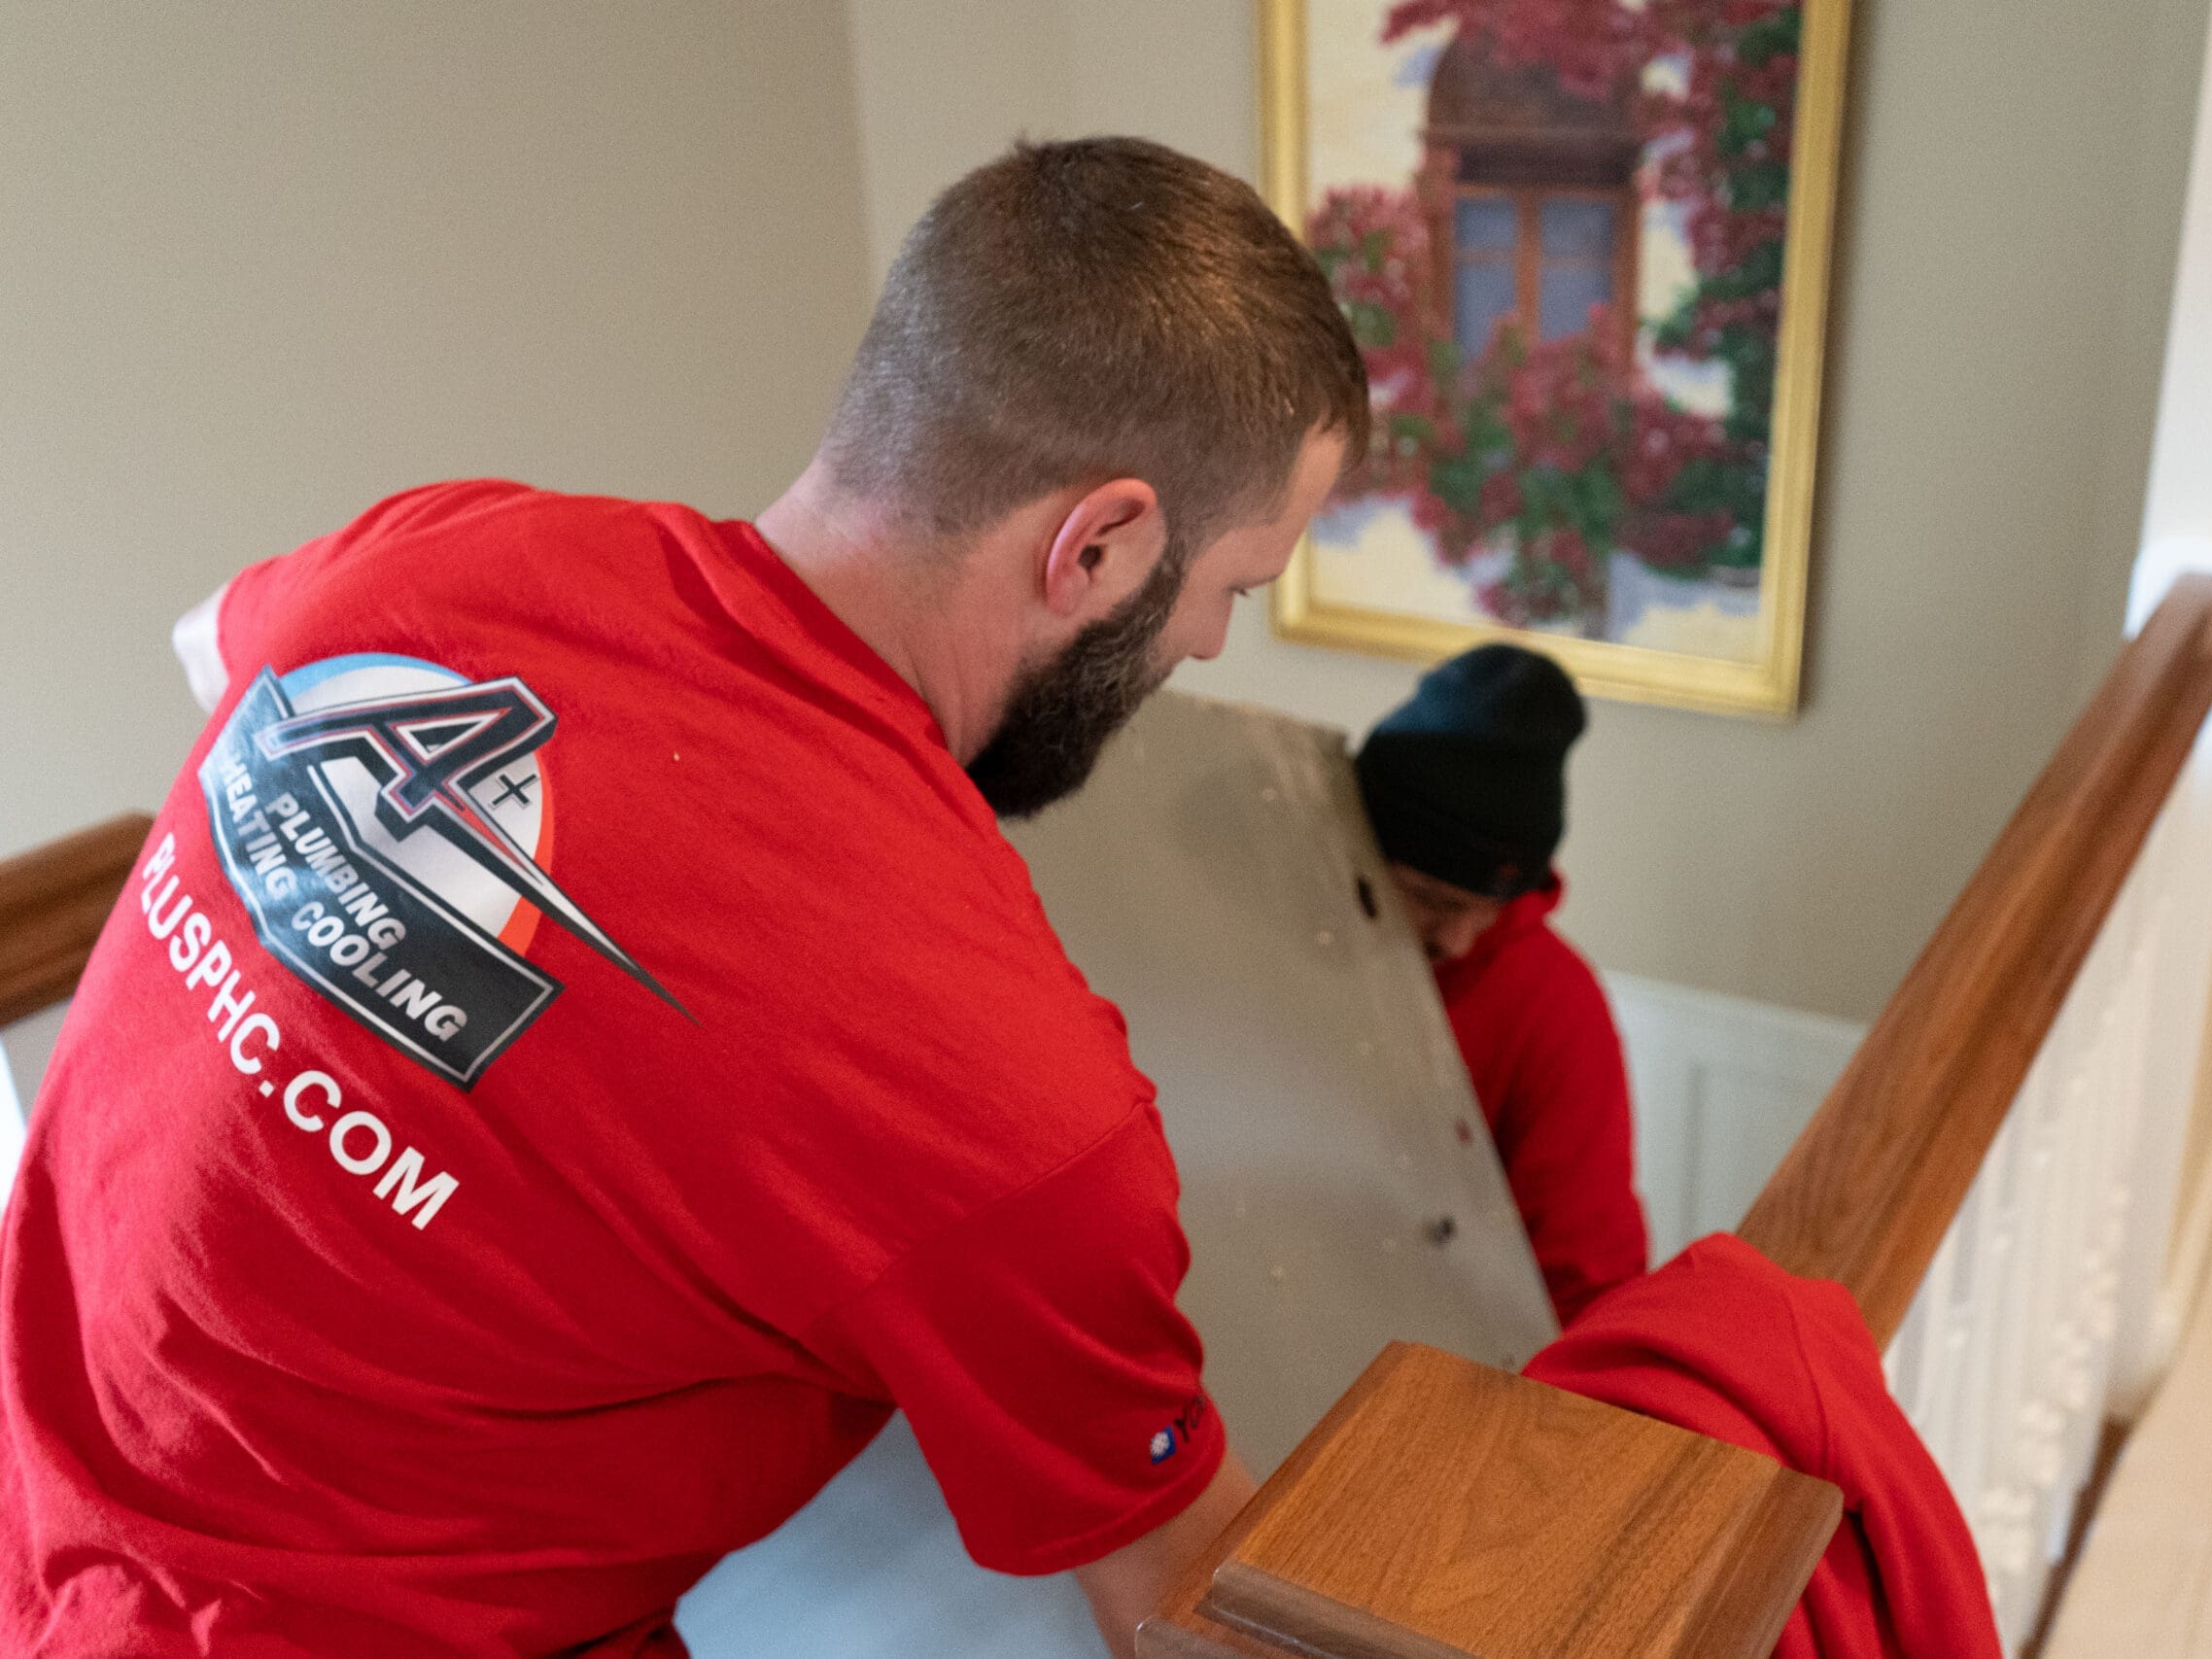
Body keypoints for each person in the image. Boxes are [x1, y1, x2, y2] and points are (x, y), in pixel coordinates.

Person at [0, 138, 1364, 1658]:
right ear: (1097, 542)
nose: (1214, 645)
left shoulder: (451, 545)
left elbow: (211, 646)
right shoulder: (1004, 1096)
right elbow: (1198, 1609)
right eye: (1231, 584)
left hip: (32, 1520)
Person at [1355, 644, 1647, 1327]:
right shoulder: (1275, 941)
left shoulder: (1558, 1005)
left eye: (1486, 910)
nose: (1456, 940)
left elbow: (1587, 1273)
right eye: (1430, 898)